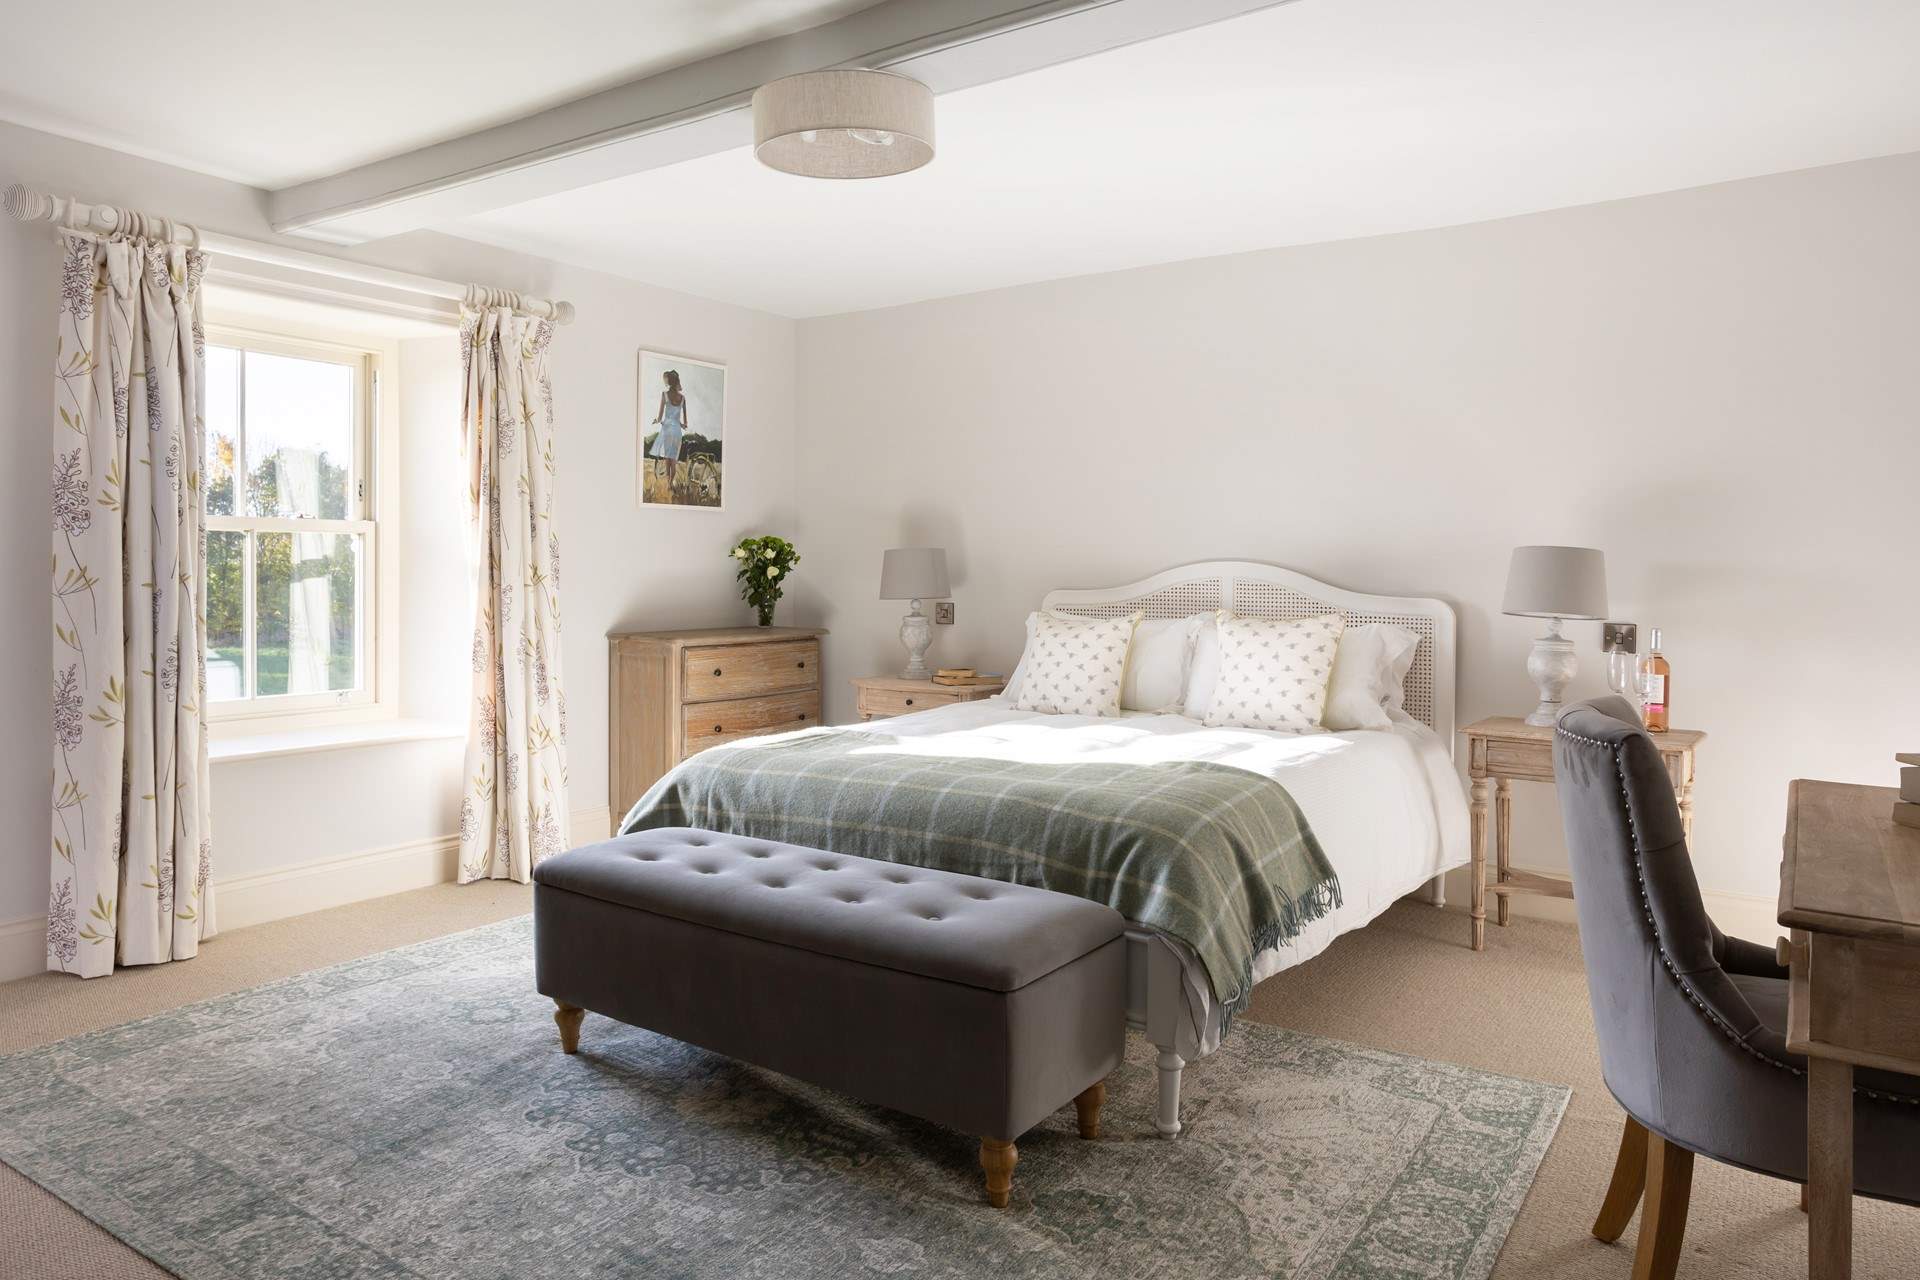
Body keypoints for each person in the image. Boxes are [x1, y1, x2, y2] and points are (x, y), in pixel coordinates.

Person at [648, 369, 688, 495]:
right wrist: (681, 425)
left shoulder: (664, 395)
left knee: (667, 460)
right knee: (674, 461)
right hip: (676, 431)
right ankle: (671, 483)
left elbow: (660, 417)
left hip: (667, 430)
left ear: (669, 381)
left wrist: (656, 420)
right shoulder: (682, 398)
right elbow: (684, 422)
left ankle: (668, 486)